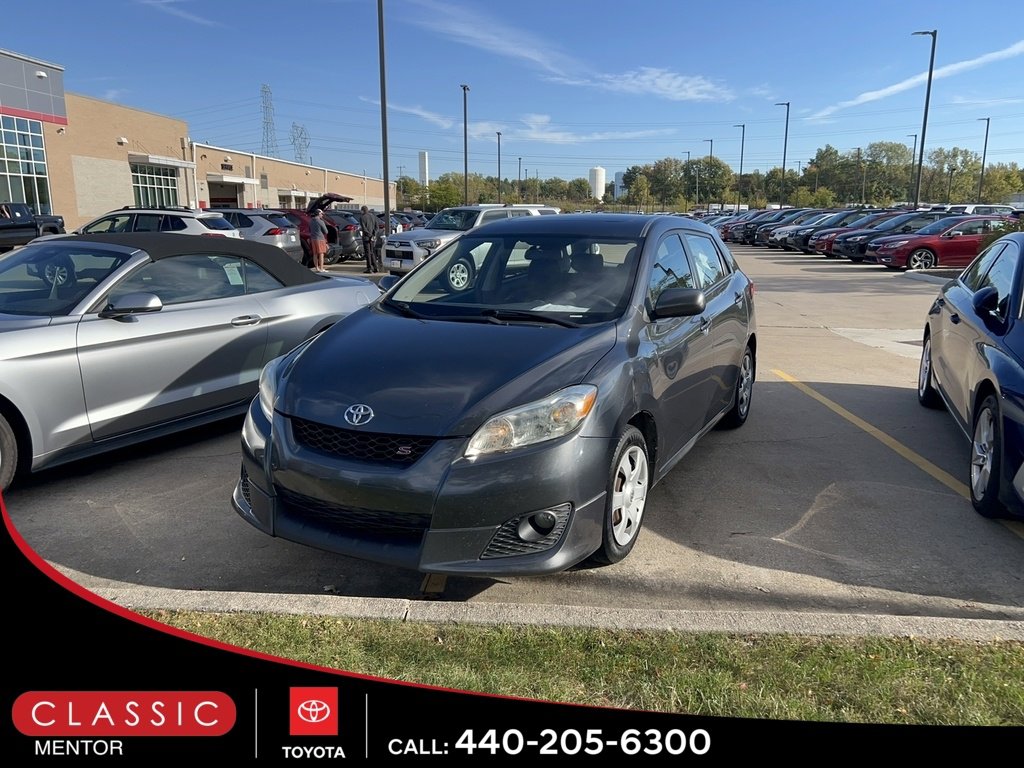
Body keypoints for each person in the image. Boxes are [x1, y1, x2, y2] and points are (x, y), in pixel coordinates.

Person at [359, 205, 381, 273]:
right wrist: (374, 235)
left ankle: (369, 268)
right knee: (372, 252)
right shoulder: (373, 216)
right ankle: (375, 267)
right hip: (373, 237)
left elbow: (364, 229)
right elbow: (377, 227)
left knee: (367, 253)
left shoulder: (362, 218)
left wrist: (369, 235)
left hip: (366, 237)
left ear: (363, 210)